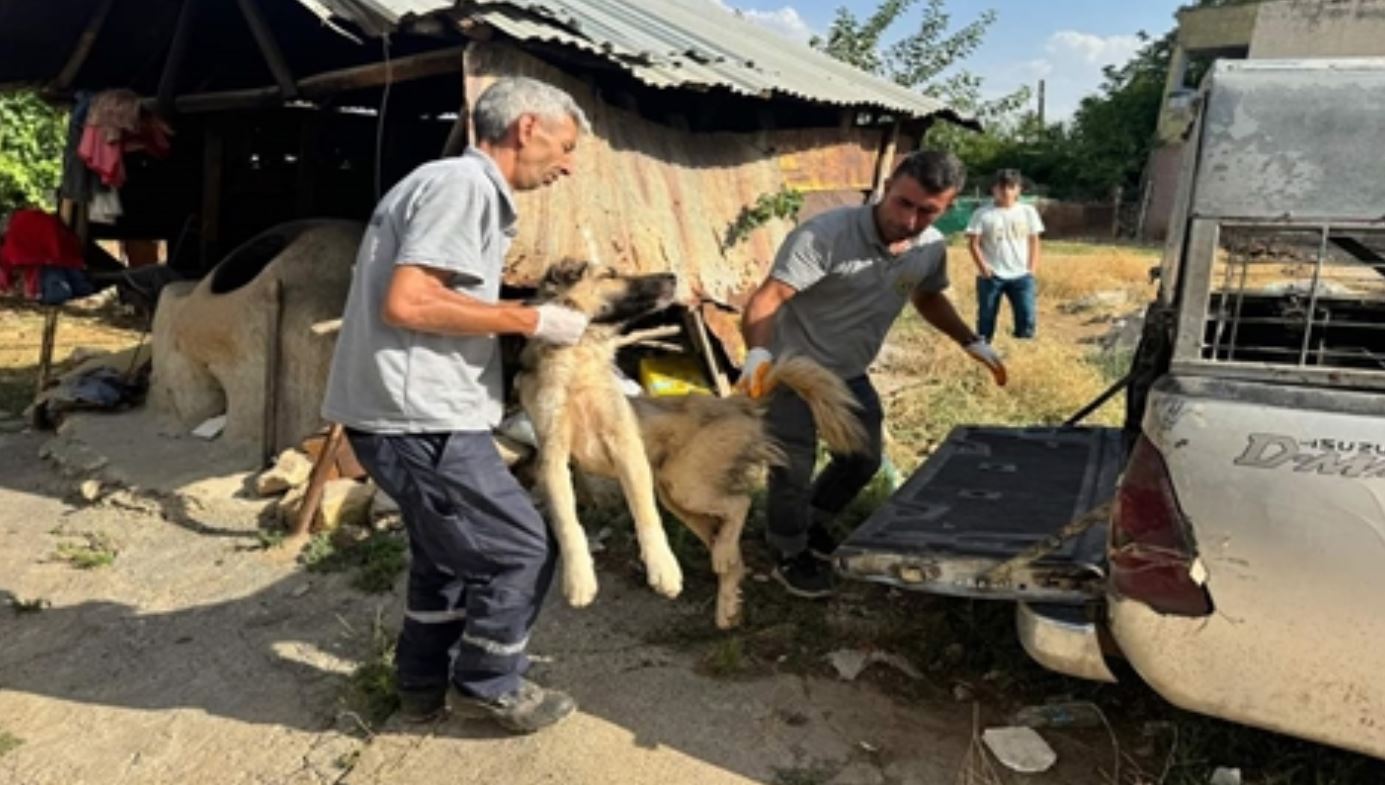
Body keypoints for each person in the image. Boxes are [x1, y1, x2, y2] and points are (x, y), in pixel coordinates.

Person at [321, 77, 592, 734]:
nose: (567, 164)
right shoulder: (462, 187)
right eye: (563, 145)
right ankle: (487, 683)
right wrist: (528, 320)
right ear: (527, 127)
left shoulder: (448, 186)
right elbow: (409, 302)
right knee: (520, 548)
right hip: (418, 418)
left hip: (411, 412)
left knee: (445, 556)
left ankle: (418, 681)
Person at [738, 150, 1007, 598]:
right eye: (904, 203)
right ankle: (788, 549)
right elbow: (769, 298)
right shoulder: (825, 236)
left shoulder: (929, 247)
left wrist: (970, 340)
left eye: (928, 211)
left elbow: (928, 298)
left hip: (848, 372)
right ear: (886, 188)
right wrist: (758, 354)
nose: (911, 218)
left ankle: (815, 522)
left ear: (948, 206)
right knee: (792, 467)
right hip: (790, 370)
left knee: (862, 458)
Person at [966, 169, 1045, 342]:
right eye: (1001, 188)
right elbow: (973, 243)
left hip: (1021, 275)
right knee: (986, 317)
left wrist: (1031, 268)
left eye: (1011, 187)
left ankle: (1023, 349)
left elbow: (1034, 240)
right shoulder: (982, 213)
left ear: (1018, 190)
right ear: (993, 189)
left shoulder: (1028, 211)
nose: (1006, 192)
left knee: (1027, 315)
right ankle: (984, 350)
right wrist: (984, 268)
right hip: (992, 275)